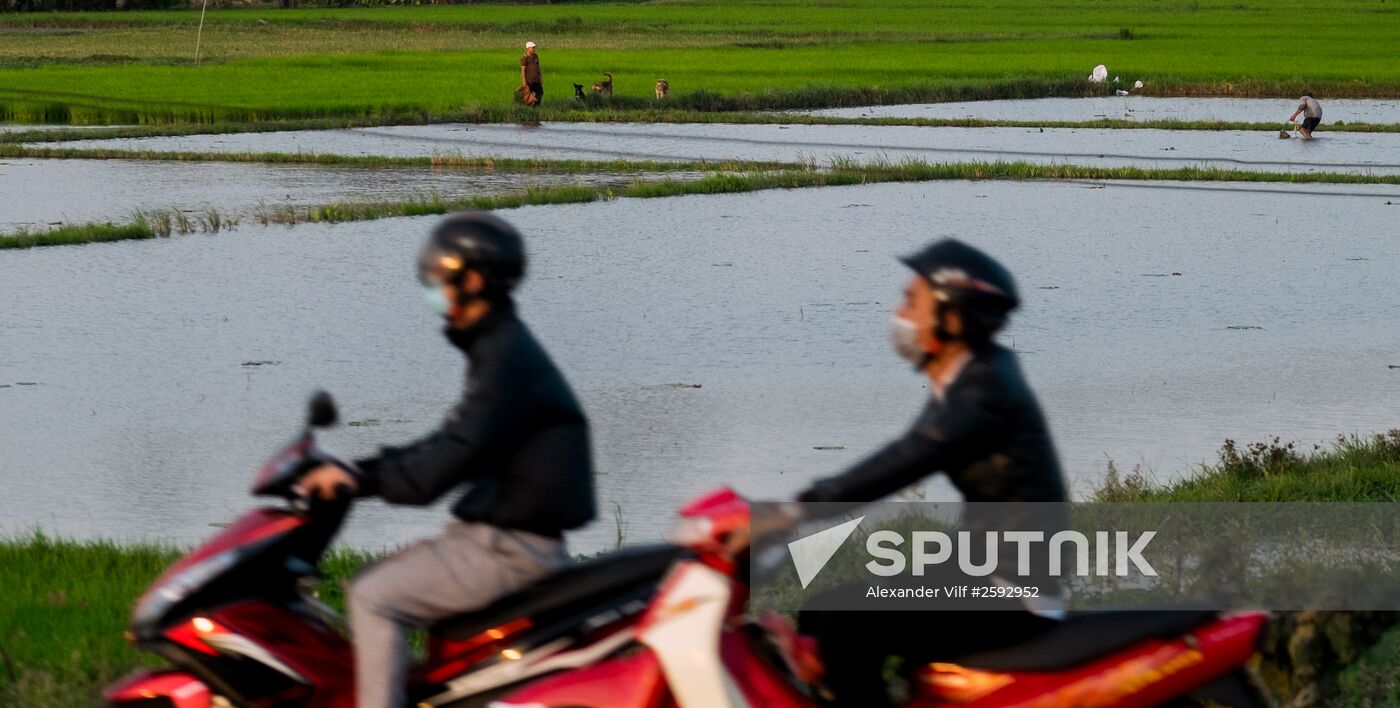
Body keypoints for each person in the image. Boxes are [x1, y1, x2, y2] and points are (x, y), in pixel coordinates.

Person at [296, 211, 596, 708]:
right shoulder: (502, 349)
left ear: (473, 281)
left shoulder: (504, 360)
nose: (432, 285)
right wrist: (359, 471)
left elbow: (448, 459)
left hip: (509, 548)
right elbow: (452, 443)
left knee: (372, 596)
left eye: (440, 274)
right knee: (379, 583)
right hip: (500, 537)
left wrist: (361, 481)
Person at [771, 239, 1070, 707]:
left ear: (952, 318)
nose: (899, 315)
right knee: (820, 610)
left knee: (844, 621)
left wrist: (793, 512)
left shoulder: (983, 391)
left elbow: (911, 456)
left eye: (912, 302)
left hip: (1012, 589)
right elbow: (912, 451)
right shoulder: (971, 373)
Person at [520, 40, 543, 106]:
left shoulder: (535, 56)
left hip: (537, 80)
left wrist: (541, 77)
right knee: (528, 95)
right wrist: (524, 81)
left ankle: (536, 106)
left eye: (534, 48)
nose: (534, 49)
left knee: (540, 93)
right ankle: (526, 107)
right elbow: (523, 71)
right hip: (529, 80)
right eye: (532, 48)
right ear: (528, 48)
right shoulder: (524, 58)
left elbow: (538, 67)